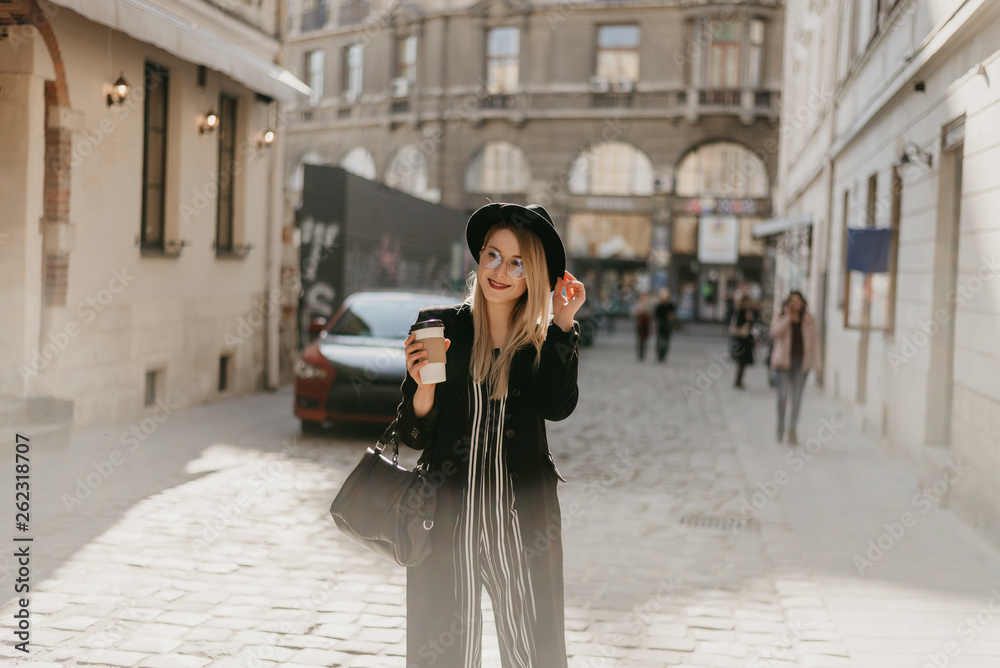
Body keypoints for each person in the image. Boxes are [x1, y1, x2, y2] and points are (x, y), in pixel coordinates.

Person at [399, 202, 586, 668]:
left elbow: (557, 407)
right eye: (493, 255)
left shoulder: (541, 343)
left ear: (534, 276)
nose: (500, 271)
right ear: (479, 259)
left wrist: (563, 325)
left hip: (521, 526)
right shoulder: (441, 330)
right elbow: (413, 435)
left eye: (518, 262)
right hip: (445, 523)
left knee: (532, 653)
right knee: (442, 655)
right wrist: (423, 389)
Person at [770, 291, 821, 445]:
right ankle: (780, 424)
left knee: (797, 398)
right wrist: (787, 318)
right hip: (783, 364)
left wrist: (818, 363)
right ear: (787, 303)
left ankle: (792, 430)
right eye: (792, 301)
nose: (795, 304)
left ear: (803, 302)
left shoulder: (809, 320)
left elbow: (816, 342)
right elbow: (774, 333)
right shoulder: (781, 316)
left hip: (801, 363)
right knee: (782, 398)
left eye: (798, 300)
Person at [728, 293, 756, 389]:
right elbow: (734, 327)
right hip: (740, 340)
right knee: (741, 362)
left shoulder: (747, 311)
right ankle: (737, 381)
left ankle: (739, 381)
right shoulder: (739, 311)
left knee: (743, 362)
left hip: (746, 340)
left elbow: (751, 324)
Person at [653, 287, 676, 362]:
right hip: (661, 325)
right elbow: (656, 315)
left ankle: (663, 354)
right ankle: (659, 354)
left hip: (668, 326)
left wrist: (672, 317)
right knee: (659, 341)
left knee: (666, 341)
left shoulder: (671, 305)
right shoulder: (659, 306)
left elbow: (674, 314)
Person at [634, 293, 651, 360]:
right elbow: (634, 313)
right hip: (639, 324)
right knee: (639, 339)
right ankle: (639, 353)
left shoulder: (649, 306)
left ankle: (643, 353)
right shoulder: (638, 305)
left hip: (646, 325)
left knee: (645, 340)